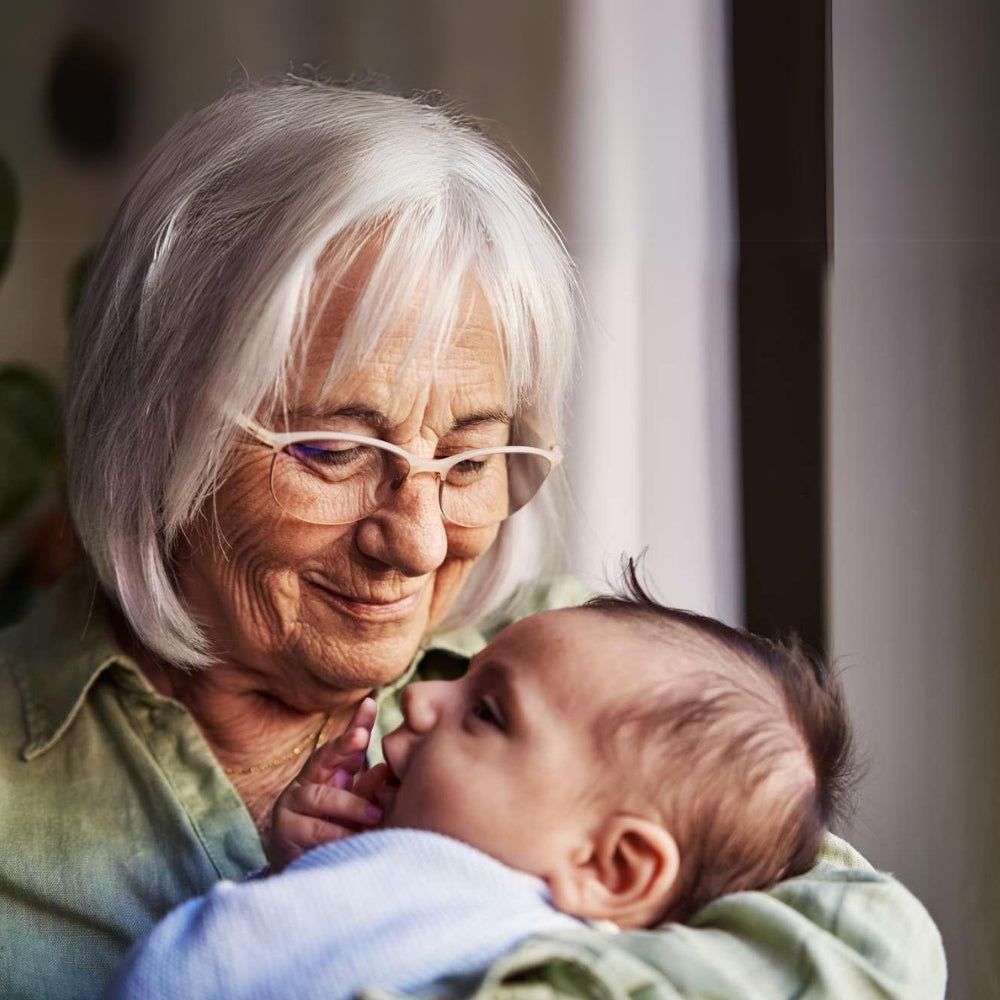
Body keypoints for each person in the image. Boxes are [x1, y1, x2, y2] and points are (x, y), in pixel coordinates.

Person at [0, 78, 945, 1000]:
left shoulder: (585, 670)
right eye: (333, 449)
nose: (414, 544)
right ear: (154, 429)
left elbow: (870, 951)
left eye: (468, 461)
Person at [106, 573, 857, 1000]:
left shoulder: (496, 935)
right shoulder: (459, 895)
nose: (424, 698)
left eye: (488, 712)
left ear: (612, 867)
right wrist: (304, 868)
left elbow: (204, 971)